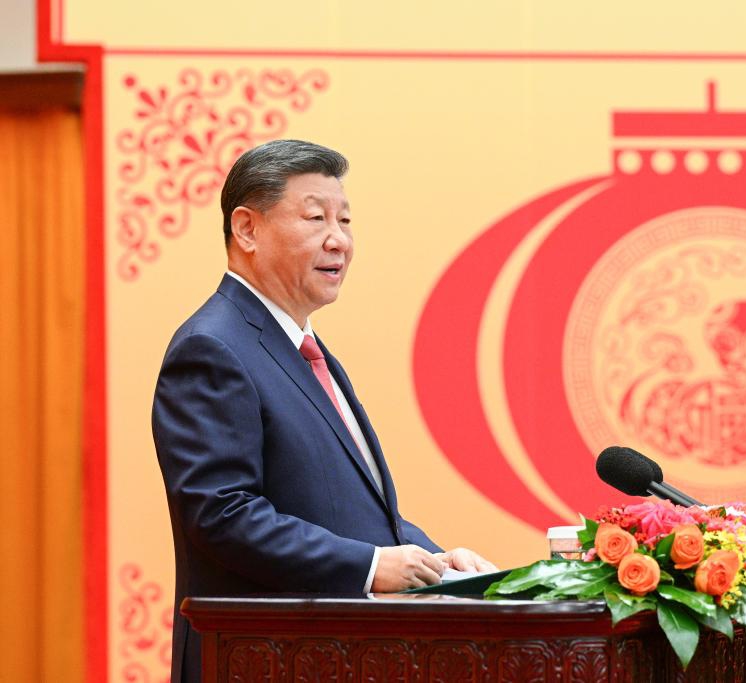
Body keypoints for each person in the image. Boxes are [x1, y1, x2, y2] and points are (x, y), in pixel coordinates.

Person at [152, 139, 496, 682]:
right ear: (247, 230)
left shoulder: (303, 349)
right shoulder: (213, 348)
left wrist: (440, 564)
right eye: (316, 218)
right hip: (256, 661)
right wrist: (370, 566)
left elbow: (346, 513)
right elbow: (221, 513)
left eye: (345, 219)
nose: (339, 239)